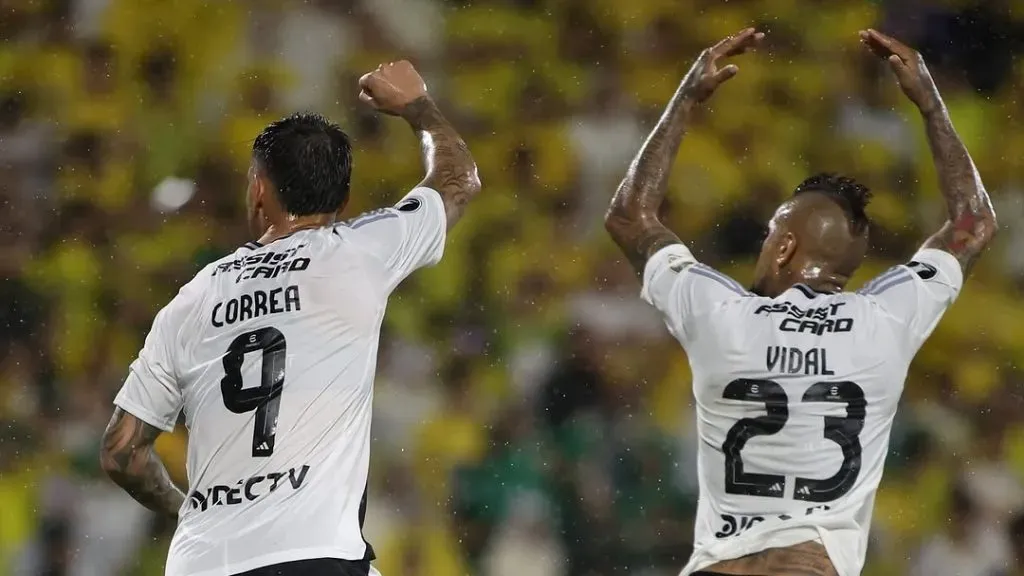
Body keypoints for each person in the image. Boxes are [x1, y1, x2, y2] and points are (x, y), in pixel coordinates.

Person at [604, 27, 997, 576]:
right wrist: (930, 106)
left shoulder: (722, 314)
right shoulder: (883, 321)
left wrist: (685, 100)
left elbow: (629, 217)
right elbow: (972, 224)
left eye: (769, 233)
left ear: (785, 245)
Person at [99, 61, 481, 576]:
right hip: (312, 553)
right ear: (343, 201)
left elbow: (122, 451)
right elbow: (458, 180)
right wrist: (418, 107)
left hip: (203, 561)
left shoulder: (193, 296)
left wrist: (186, 509)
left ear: (258, 189)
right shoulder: (363, 251)